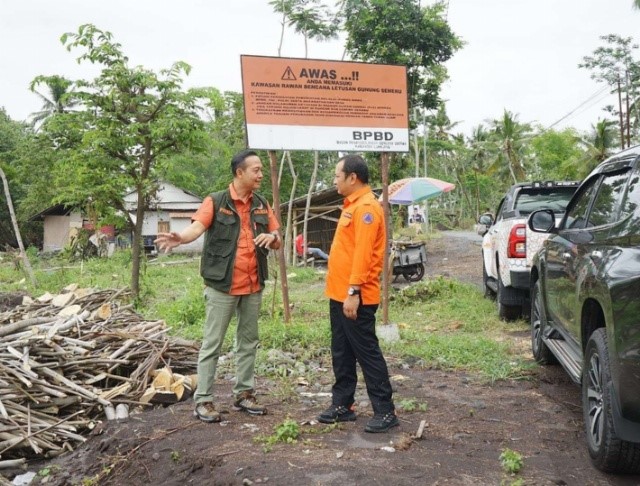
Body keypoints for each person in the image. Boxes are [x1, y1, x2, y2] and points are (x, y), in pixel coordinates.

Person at [154, 150, 281, 423]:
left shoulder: (261, 203)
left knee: (248, 342)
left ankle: (244, 393)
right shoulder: (216, 201)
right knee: (212, 344)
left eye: (260, 170)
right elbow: (197, 228)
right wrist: (181, 238)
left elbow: (277, 236)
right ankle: (204, 400)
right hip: (223, 286)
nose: (260, 175)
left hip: (253, 284)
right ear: (239, 173)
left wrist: (272, 237)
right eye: (256, 170)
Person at [318, 154, 398, 433]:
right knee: (341, 351)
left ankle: (385, 411)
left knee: (366, 353)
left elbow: (364, 256)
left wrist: (353, 292)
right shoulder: (352, 205)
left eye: (337, 176)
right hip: (339, 293)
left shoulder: (367, 209)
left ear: (353, 177)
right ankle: (343, 405)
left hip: (356, 297)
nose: (334, 180)